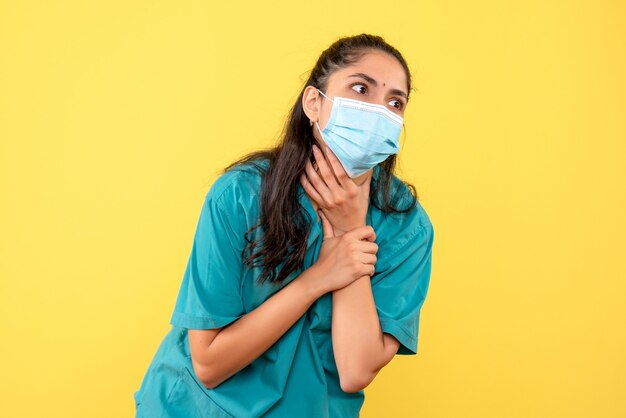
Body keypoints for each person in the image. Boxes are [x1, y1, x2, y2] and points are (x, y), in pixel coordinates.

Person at [133, 33, 435, 418]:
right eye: (361, 89)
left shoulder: (406, 226)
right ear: (314, 102)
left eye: (395, 102)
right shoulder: (240, 194)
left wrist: (349, 229)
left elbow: (356, 370)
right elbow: (208, 364)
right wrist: (320, 278)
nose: (378, 111)